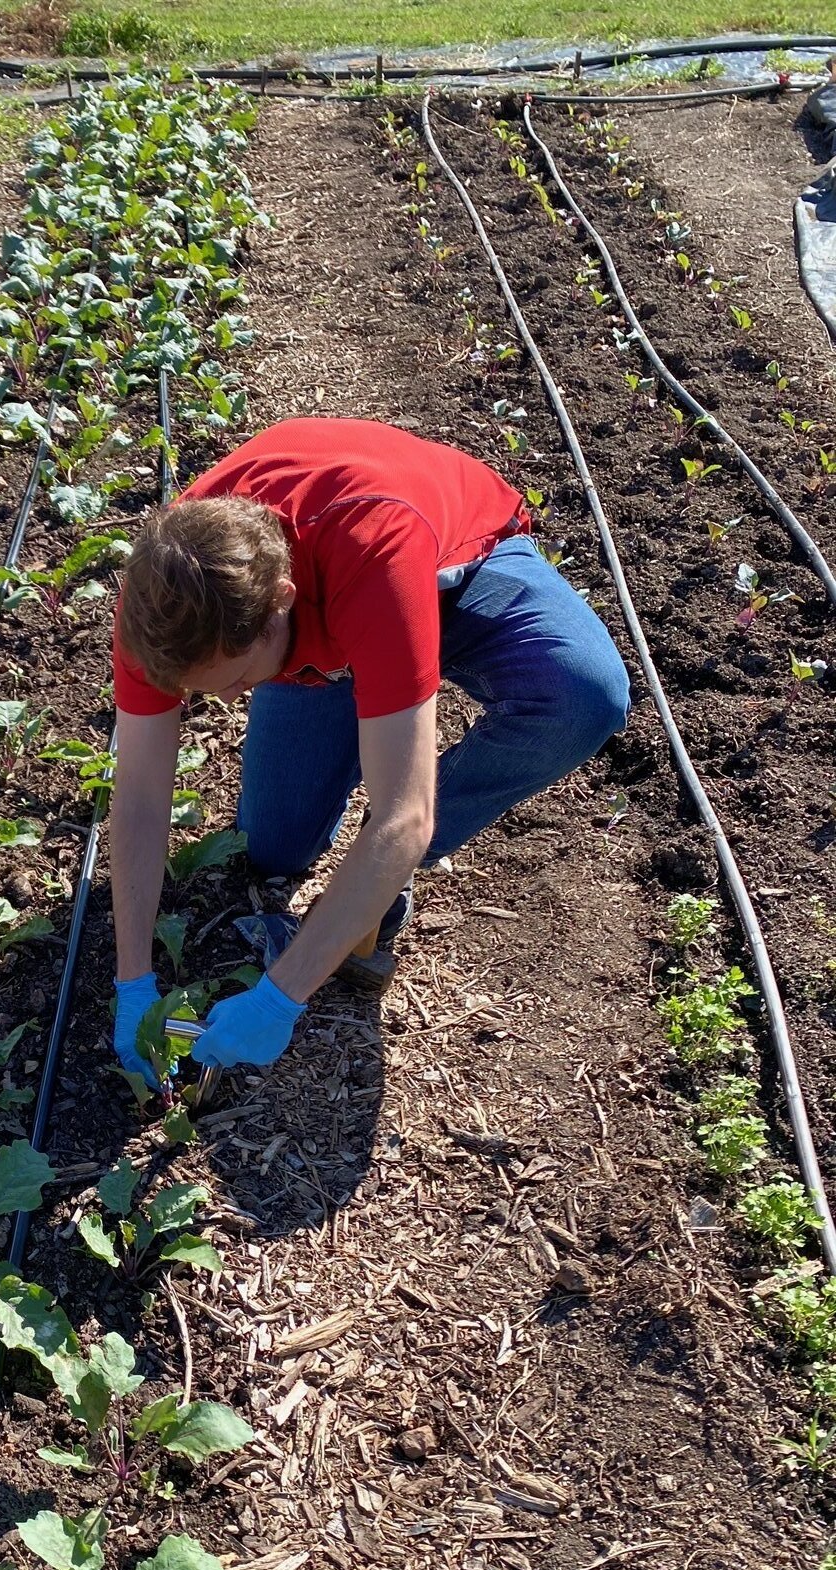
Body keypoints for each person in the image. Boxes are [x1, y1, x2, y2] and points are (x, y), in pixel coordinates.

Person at [108, 416, 630, 1079]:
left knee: (581, 695)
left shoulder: (371, 544)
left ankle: (377, 869)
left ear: (279, 605)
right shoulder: (158, 608)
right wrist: (133, 985)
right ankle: (366, 827)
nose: (231, 701)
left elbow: (403, 816)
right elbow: (141, 800)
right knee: (273, 846)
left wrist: (279, 997)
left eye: (238, 682)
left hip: (451, 580)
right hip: (317, 641)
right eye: (206, 691)